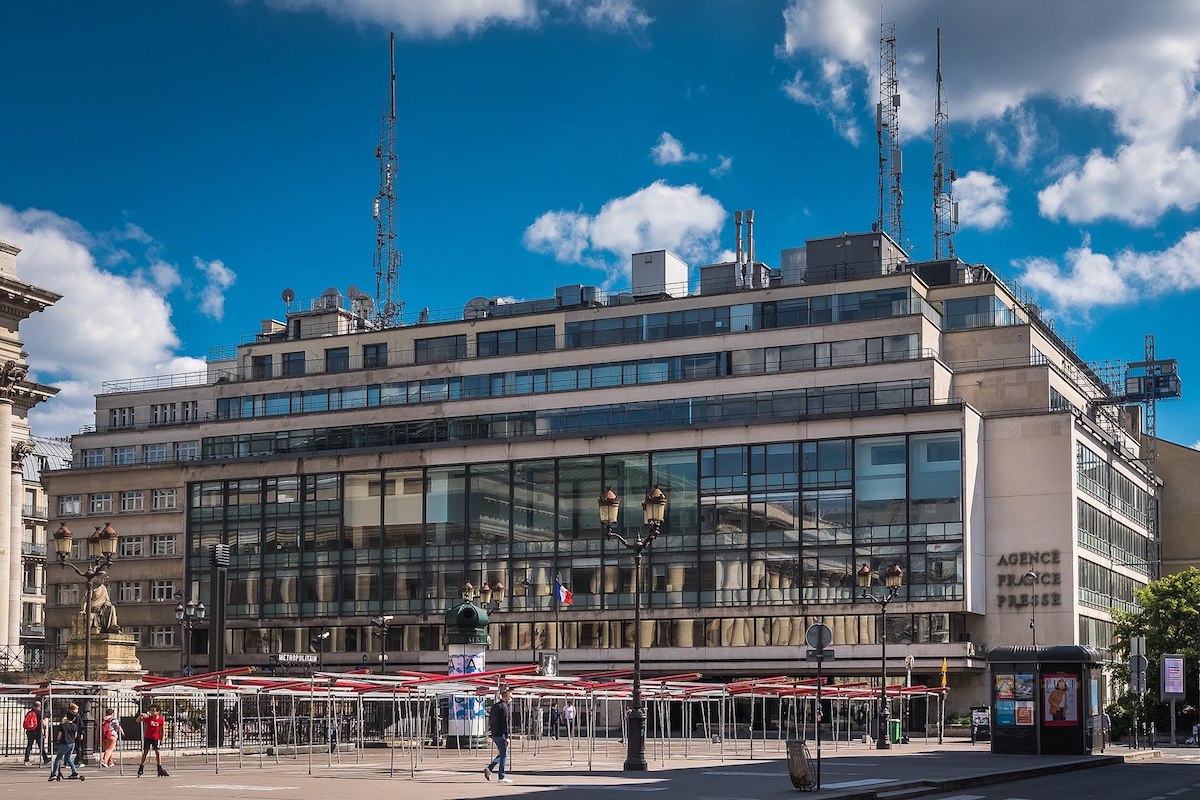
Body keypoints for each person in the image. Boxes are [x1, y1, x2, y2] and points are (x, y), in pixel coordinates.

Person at [482, 687, 514, 784]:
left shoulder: (495, 706)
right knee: (504, 755)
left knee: (502, 753)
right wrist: (507, 736)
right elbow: (504, 723)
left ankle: (490, 768)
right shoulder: (504, 707)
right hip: (501, 734)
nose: (511, 699)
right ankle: (501, 776)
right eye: (511, 697)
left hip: (495, 733)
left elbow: (492, 720)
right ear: (507, 697)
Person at [48, 712, 84, 782]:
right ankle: (74, 772)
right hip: (72, 743)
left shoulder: (63, 726)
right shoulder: (75, 726)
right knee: (68, 758)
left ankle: (54, 774)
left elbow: (59, 735)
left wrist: (57, 740)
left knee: (58, 758)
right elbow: (75, 735)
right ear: (73, 718)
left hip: (65, 743)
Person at [136, 706, 168, 777]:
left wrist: (162, 738)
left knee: (157, 752)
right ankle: (141, 766)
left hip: (156, 738)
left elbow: (162, 730)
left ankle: (159, 767)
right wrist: (141, 715)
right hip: (148, 737)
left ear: (157, 711)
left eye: (153, 710)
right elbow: (137, 720)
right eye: (151, 710)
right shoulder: (148, 719)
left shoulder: (160, 720)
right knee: (145, 752)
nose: (152, 712)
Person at [23, 699, 50, 765]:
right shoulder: (40, 713)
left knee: (29, 745)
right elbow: (43, 723)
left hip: (30, 731)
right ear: (40, 706)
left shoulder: (29, 712)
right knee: (41, 746)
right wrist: (45, 731)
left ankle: (26, 759)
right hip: (38, 731)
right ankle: (45, 759)